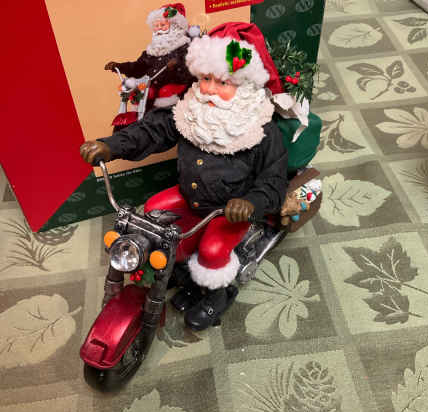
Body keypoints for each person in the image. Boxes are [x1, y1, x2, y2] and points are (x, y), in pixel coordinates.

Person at [81, 22, 290, 331]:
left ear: (245, 84)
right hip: (190, 196)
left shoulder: (261, 129)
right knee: (154, 214)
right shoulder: (189, 109)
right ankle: (181, 273)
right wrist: (112, 146)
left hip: (227, 210)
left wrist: (250, 203)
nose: (210, 89)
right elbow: (151, 130)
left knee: (212, 250)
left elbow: (273, 182)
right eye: (205, 78)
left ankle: (219, 292)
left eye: (224, 82)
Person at [105, 3, 198, 108]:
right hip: (151, 91)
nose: (159, 29)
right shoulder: (152, 50)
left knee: (164, 92)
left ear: (174, 27)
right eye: (156, 26)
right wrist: (120, 66)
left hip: (175, 99)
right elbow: (138, 67)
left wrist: (176, 67)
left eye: (163, 25)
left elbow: (189, 73)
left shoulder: (184, 47)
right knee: (137, 92)